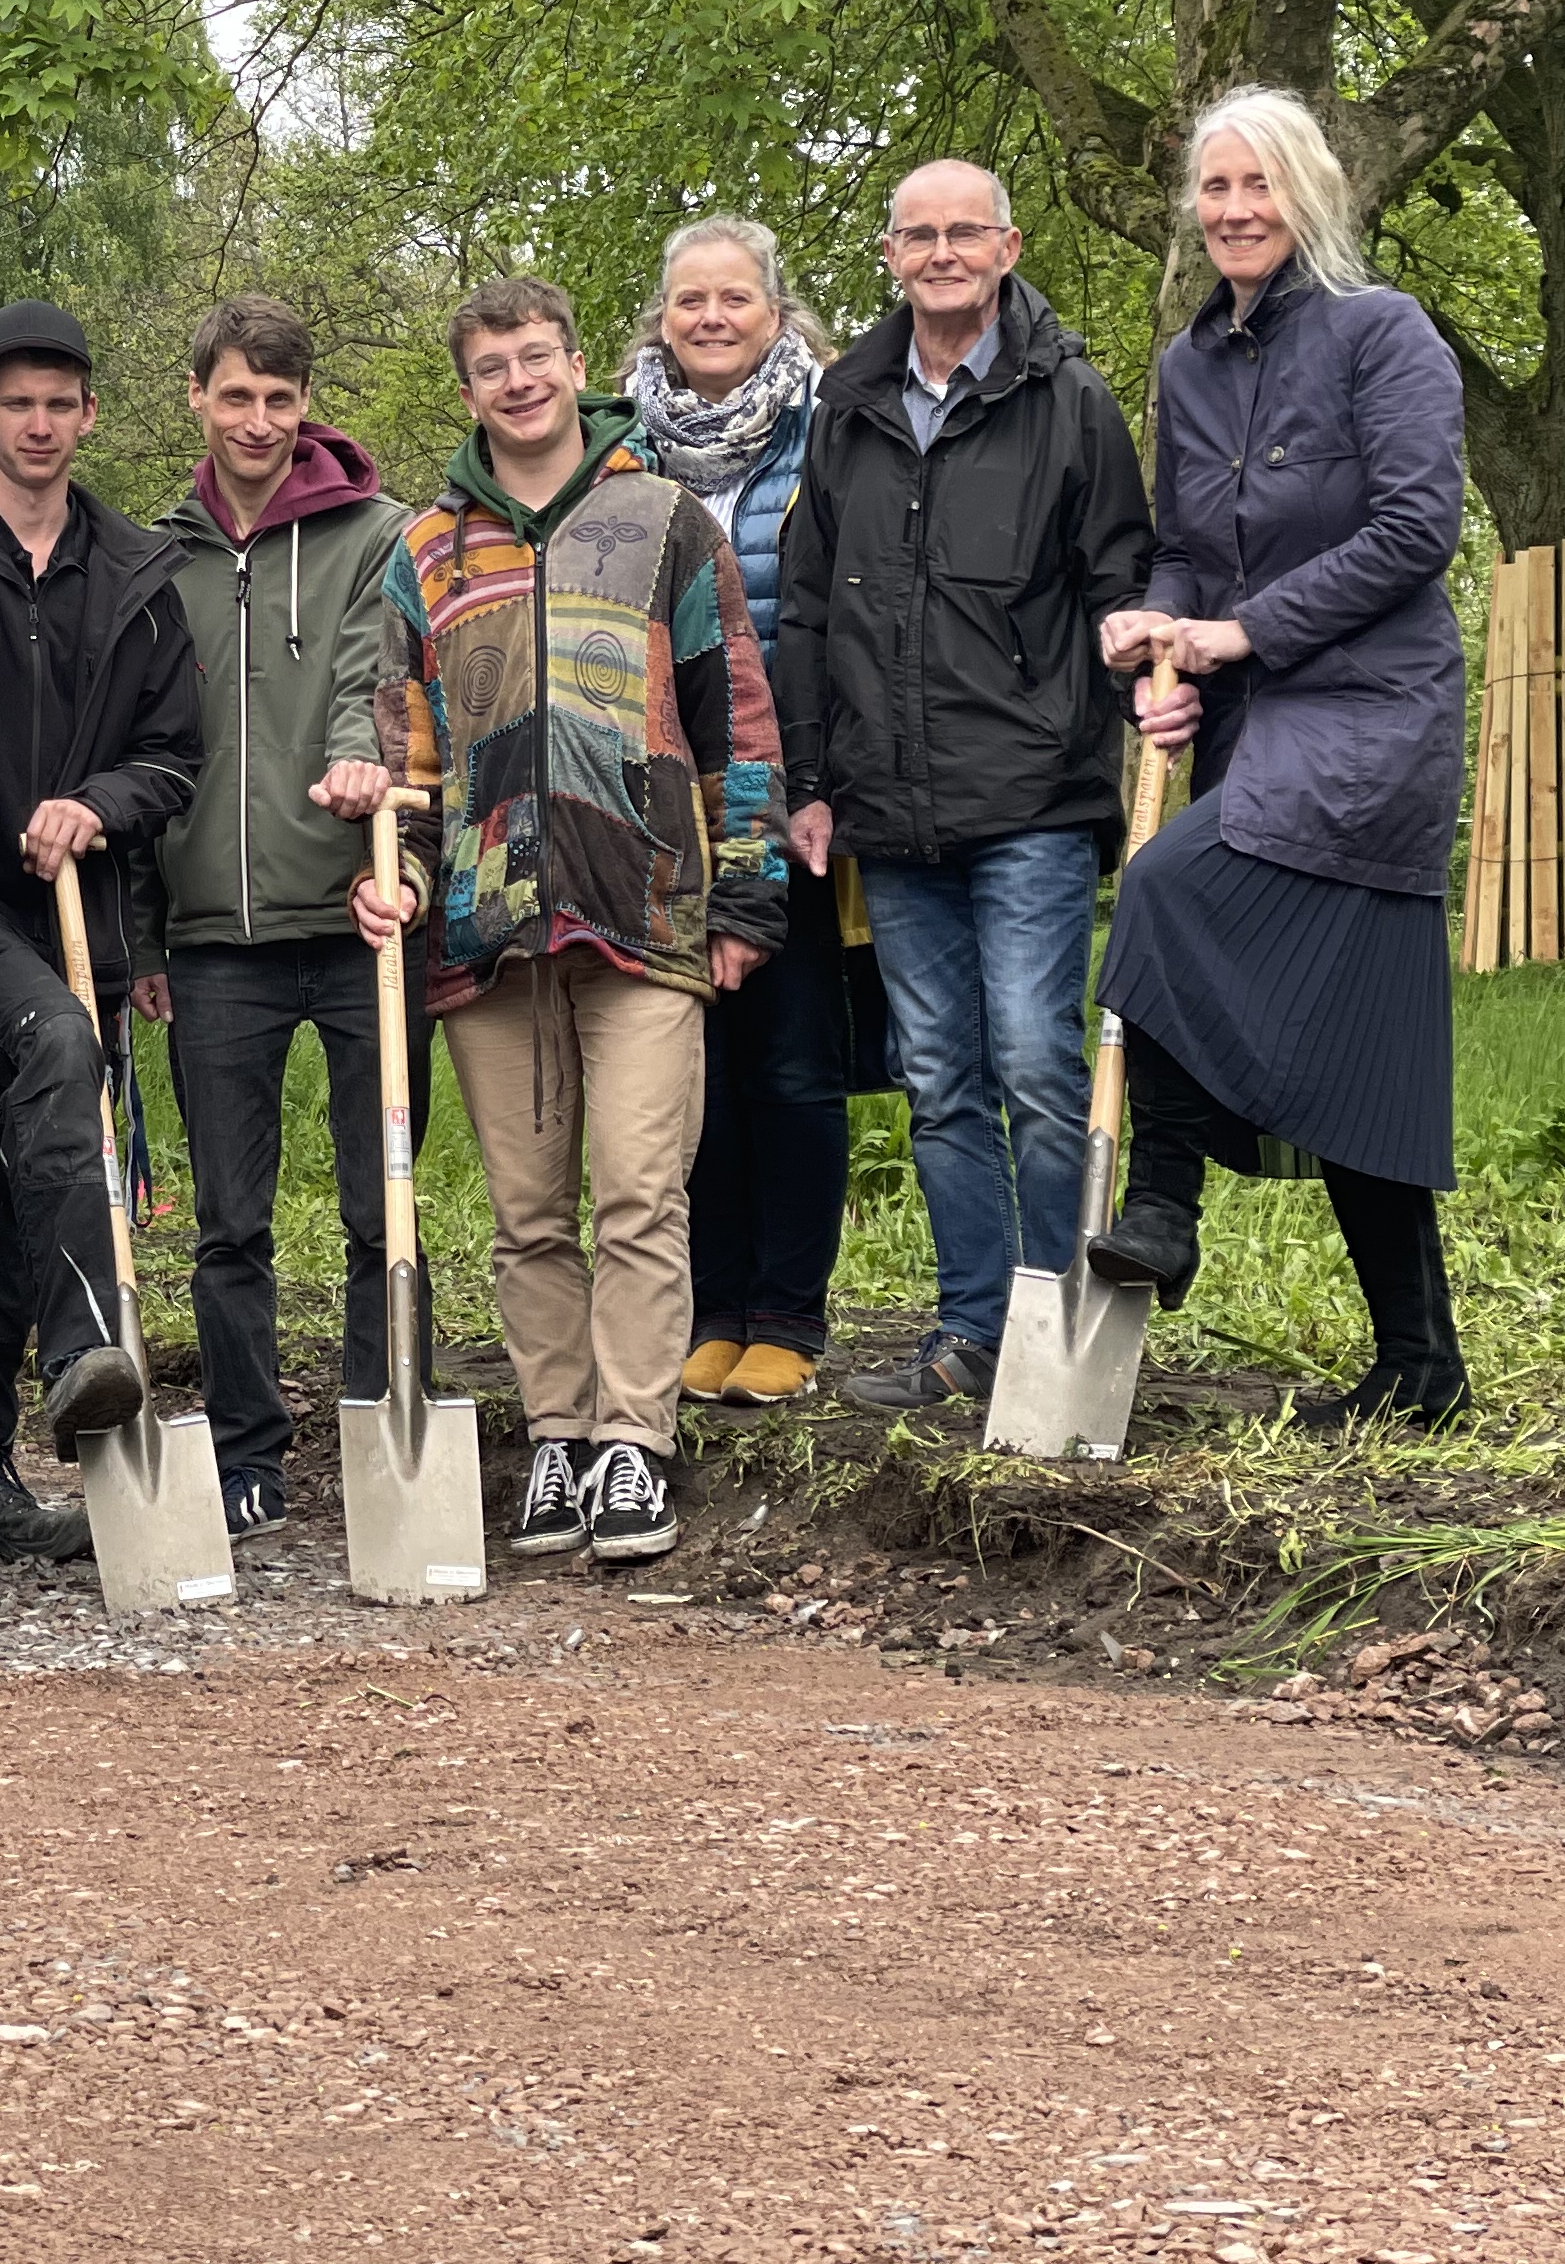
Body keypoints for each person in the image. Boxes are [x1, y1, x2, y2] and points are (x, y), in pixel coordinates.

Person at [361, 277, 785, 1563]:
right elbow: (407, 752)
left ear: (577, 360)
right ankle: (556, 1434)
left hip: (644, 903)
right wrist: (409, 879)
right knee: (527, 1209)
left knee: (639, 1194)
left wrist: (749, 884)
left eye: (536, 356)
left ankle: (634, 1446)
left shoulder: (663, 518)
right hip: (487, 927)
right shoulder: (422, 548)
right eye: (491, 366)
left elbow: (737, 711)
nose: (518, 382)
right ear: (469, 386)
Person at [1086, 87, 1469, 1426]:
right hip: (1258, 727)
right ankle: (1422, 1364)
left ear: (1312, 198)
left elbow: (1419, 531)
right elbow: (1188, 543)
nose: (1236, 210)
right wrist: (1161, 638)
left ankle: (1164, 1204)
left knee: (1168, 890)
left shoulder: (1383, 336)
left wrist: (1239, 633)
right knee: (1361, 1048)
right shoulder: (1189, 363)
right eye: (1216, 189)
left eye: (1261, 186)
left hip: (1372, 717)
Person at [769, 161, 1155, 1412]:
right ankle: (971, 1333)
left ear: (1006, 245)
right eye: (918, 235)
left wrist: (1115, 721)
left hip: (1032, 801)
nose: (942, 252)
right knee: (937, 1078)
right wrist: (817, 779)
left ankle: (1055, 1329)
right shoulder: (851, 405)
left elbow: (1115, 584)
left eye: (964, 233)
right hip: (888, 810)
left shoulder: (1071, 401)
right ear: (889, 255)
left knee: (1039, 1064)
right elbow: (814, 607)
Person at [0, 301, 204, 1564]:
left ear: (87, 416)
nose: (37, 423)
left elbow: (175, 758)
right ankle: (85, 1346)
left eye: (59, 403)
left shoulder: (136, 574)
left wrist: (97, 806)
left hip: (77, 906)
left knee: (12, 1191)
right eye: (13, 401)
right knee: (58, 1046)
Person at [124, 293, 417, 1548]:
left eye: (280, 401)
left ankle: (379, 1430)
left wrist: (361, 775)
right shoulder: (151, 558)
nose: (257, 421)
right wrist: (139, 935)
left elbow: (378, 685)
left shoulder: (375, 535)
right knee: (228, 1223)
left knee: (379, 1205)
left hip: (358, 919)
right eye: (236, 396)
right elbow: (132, 752)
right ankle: (246, 1450)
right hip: (212, 940)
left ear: (307, 407)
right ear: (197, 396)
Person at [624, 219, 849, 1409]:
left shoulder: (832, 431)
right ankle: (714, 1309)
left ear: (777, 312)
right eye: (689, 301)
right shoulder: (616, 451)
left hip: (790, 779)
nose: (711, 319)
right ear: (660, 317)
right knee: (689, 1064)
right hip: (655, 794)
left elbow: (850, 613)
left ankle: (789, 1314)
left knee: (791, 1058)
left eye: (735, 301)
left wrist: (820, 781)